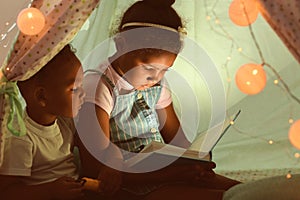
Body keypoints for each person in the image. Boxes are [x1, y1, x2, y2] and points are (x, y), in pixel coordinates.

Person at [76, 0, 240, 199]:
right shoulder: (99, 86)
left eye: (164, 70)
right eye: (148, 68)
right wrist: (172, 174)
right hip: (130, 185)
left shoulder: (155, 83)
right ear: (121, 44)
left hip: (163, 173)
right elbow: (96, 167)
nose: (156, 78)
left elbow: (177, 140)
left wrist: (196, 163)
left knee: (241, 189)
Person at [0, 44, 86, 200]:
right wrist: (50, 191)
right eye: (74, 89)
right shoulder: (21, 137)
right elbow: (7, 192)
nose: (83, 93)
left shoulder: (66, 122)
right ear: (42, 97)